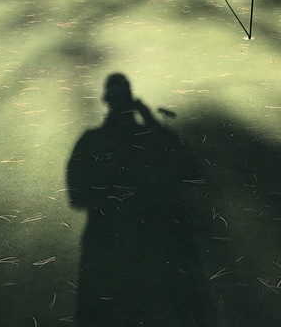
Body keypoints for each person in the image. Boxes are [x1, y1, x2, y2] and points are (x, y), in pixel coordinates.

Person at [67, 74, 214, 326]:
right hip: (150, 246)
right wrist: (151, 122)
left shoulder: (92, 141)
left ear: (106, 101)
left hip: (114, 246)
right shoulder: (149, 139)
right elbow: (188, 169)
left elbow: (77, 196)